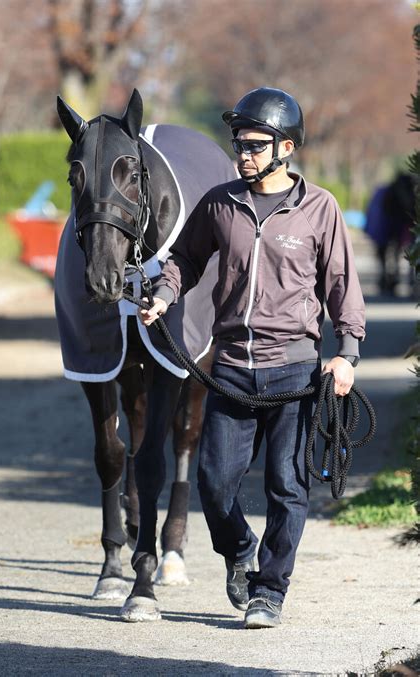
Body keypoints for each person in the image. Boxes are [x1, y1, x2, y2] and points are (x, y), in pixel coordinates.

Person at [139, 87, 366, 629]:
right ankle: (240, 549)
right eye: (239, 143)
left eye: (256, 145)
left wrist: (348, 353)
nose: (244, 153)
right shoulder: (220, 203)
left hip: (294, 367)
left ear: (287, 147)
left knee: (286, 486)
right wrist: (164, 296)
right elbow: (185, 260)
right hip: (234, 367)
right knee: (215, 483)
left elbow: (341, 286)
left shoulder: (319, 208)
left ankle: (269, 592)